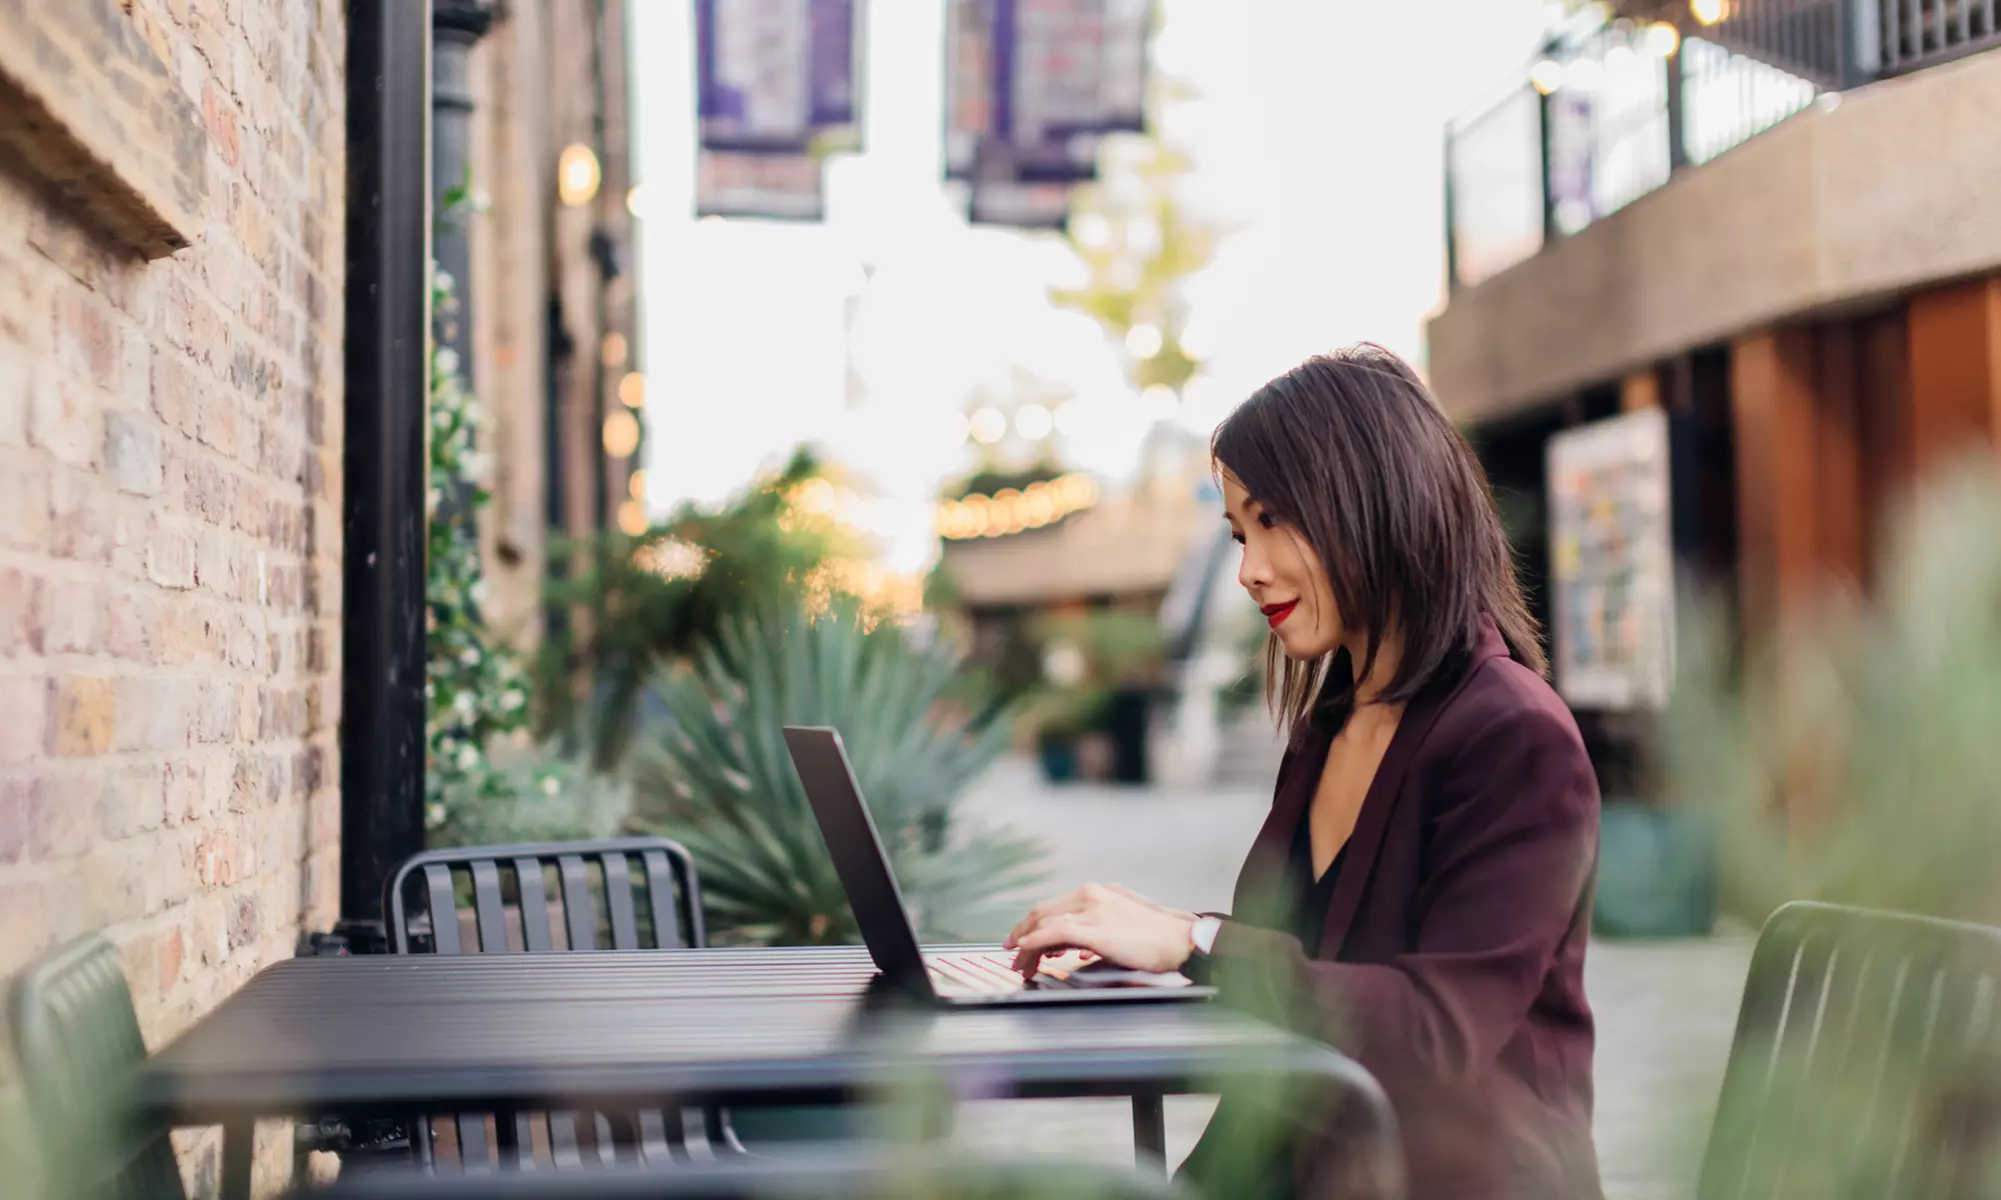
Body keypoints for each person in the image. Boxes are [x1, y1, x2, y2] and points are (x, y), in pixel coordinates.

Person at [1004, 346, 1602, 1199]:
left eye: (1274, 521)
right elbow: (1306, 964)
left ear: (1376, 498)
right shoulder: (1334, 718)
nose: (1249, 568)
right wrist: (1149, 948)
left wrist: (1194, 942)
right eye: (1240, 533)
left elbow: (1437, 1033)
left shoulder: (1513, 735)